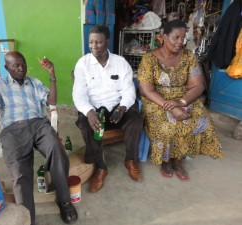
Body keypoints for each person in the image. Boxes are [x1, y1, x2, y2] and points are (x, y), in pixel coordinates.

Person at [0, 51, 78, 224]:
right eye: (15, 65)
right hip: (12, 129)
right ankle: (27, 218)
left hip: (38, 124)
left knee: (56, 149)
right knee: (19, 171)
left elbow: (52, 101)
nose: (21, 68)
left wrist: (52, 75)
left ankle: (64, 201)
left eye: (23, 64)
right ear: (6, 67)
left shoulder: (34, 82)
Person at [137, 20, 223, 181]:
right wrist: (171, 107)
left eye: (183, 38)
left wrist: (182, 103)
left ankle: (178, 160)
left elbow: (198, 86)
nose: (180, 42)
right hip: (157, 100)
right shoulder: (149, 59)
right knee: (166, 125)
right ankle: (165, 160)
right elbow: (146, 89)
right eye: (175, 38)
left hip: (184, 97)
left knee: (199, 119)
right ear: (164, 37)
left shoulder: (189, 57)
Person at [72, 25, 143, 193]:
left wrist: (123, 107)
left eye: (98, 42)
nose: (94, 45)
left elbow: (129, 91)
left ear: (107, 42)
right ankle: (100, 166)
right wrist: (89, 112)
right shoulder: (83, 64)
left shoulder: (120, 63)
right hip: (95, 109)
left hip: (117, 107)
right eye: (91, 42)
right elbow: (78, 95)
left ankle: (130, 160)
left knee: (136, 120)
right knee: (85, 123)